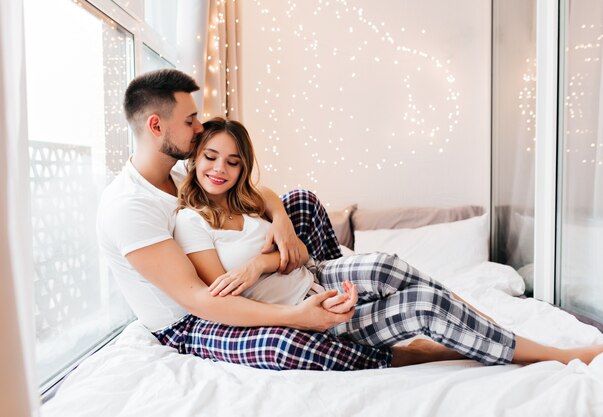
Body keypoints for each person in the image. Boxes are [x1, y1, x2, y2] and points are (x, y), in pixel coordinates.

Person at [172, 115, 603, 367]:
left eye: (232, 162)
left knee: (385, 265)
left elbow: (295, 250)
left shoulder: (249, 199)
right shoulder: (192, 222)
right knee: (424, 305)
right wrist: (276, 283)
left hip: (314, 277)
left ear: (243, 167)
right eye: (210, 158)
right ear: (194, 160)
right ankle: (553, 355)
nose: (220, 169)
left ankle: (487, 325)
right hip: (302, 313)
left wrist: (270, 252)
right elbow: (229, 292)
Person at [97, 68, 446, 371]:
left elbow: (252, 191)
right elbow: (200, 300)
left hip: (232, 280)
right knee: (283, 345)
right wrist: (297, 317)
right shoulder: (128, 207)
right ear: (156, 125)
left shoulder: (178, 173)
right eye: (189, 121)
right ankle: (401, 356)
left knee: (301, 201)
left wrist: (281, 222)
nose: (199, 126)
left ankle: (335, 280)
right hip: (190, 321)